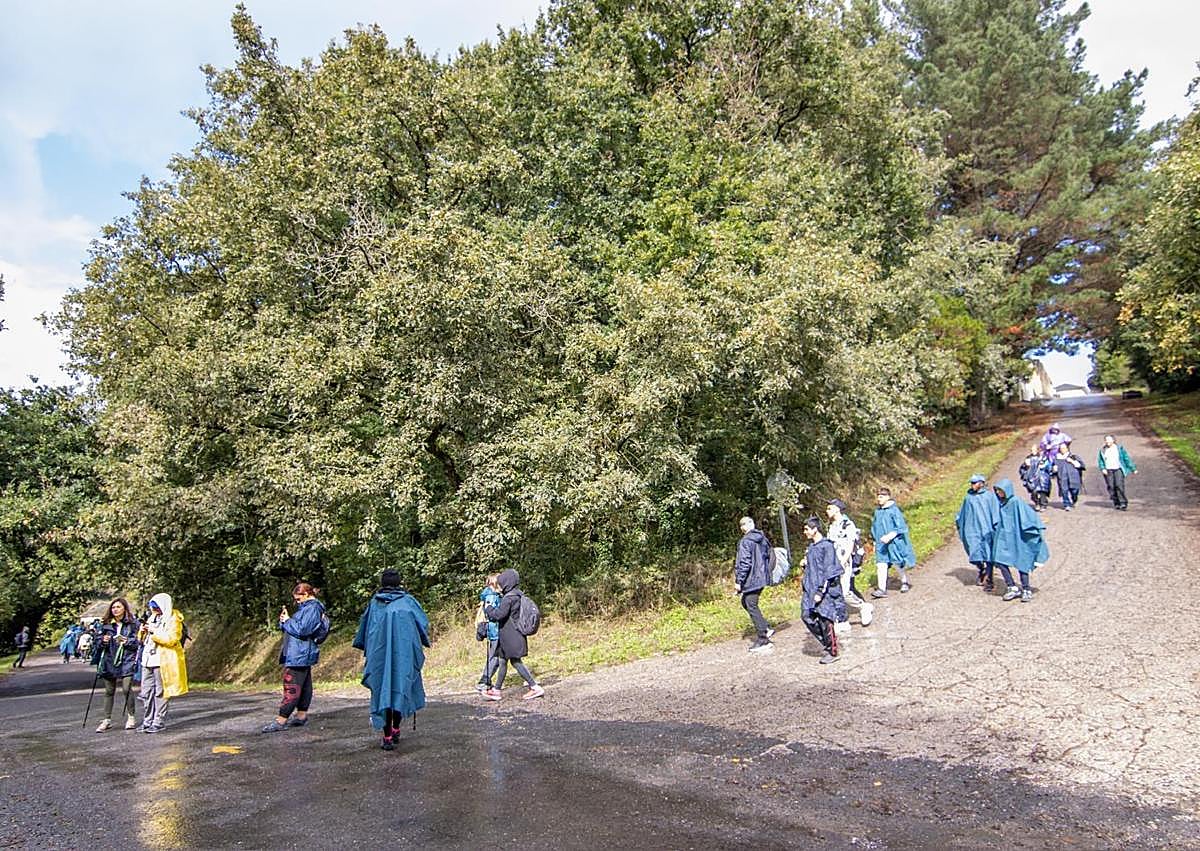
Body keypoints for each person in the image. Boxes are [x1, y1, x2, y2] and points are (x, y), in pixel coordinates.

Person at [352, 569, 431, 751]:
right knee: (400, 688)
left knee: (382, 691)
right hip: (404, 656)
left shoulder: (374, 604)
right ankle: (395, 728)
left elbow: (364, 630)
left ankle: (387, 736)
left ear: (382, 583)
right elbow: (423, 624)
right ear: (398, 582)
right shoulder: (408, 602)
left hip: (379, 657)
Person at [261, 582, 329, 734]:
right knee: (304, 686)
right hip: (300, 652)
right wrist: (285, 621)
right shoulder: (307, 608)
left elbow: (303, 630)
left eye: (299, 599)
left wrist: (287, 621)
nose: (297, 602)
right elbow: (296, 627)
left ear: (306, 595)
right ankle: (301, 715)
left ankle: (281, 720)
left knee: (292, 686)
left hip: (299, 653)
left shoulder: (312, 608)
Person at [483, 568, 546, 700]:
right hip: (512, 636)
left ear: (507, 583)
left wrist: (488, 607)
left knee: (516, 662)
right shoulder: (517, 594)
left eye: (501, 583)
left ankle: (534, 687)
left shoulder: (509, 598)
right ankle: (496, 690)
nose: (499, 586)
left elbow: (498, 615)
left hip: (511, 637)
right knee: (503, 661)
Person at [991, 479, 1049, 602]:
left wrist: (1032, 530)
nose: (998, 493)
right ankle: (1011, 586)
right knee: (1000, 560)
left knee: (1021, 560)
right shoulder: (1000, 503)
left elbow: (1028, 517)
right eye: (996, 491)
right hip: (1004, 538)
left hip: (1018, 537)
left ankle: (1026, 588)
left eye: (1000, 490)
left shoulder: (1016, 502)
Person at [138, 593, 188, 733]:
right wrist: (142, 632)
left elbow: (172, 639)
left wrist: (154, 631)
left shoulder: (174, 619)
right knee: (146, 692)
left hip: (162, 661)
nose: (154, 610)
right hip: (147, 660)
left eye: (157, 607)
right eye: (152, 607)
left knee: (160, 692)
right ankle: (147, 721)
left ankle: (158, 721)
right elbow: (142, 640)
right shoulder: (152, 617)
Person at [800, 517, 846, 664]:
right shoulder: (812, 547)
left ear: (815, 529)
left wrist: (821, 591)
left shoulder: (827, 547)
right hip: (810, 589)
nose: (804, 532)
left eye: (807, 529)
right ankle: (827, 643)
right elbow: (814, 568)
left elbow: (829, 571)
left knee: (825, 619)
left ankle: (832, 651)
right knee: (806, 616)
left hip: (823, 590)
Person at [94, 598, 141, 732]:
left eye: (118, 607)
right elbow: (97, 643)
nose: (115, 609)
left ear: (124, 609)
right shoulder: (105, 625)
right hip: (109, 660)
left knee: (126, 688)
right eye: (113, 607)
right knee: (109, 691)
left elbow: (138, 642)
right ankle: (107, 719)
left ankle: (131, 717)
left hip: (127, 660)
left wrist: (126, 641)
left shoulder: (133, 624)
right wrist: (103, 640)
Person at [825, 499, 873, 628]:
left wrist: (843, 561)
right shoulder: (831, 526)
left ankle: (863, 607)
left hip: (843, 562)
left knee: (845, 592)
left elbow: (850, 545)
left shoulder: (847, 524)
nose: (827, 511)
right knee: (835, 592)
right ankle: (841, 619)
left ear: (837, 509)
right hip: (833, 562)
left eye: (829, 508)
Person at [732, 516, 774, 653]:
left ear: (746, 526)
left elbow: (744, 563)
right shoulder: (762, 538)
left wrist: (739, 581)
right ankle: (765, 628)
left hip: (752, 578)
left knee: (750, 603)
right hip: (761, 577)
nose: (742, 527)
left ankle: (763, 639)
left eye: (743, 524)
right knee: (746, 602)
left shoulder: (745, 541)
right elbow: (770, 555)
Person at [955, 474, 1001, 591]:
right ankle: (981, 569)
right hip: (972, 530)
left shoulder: (989, 497)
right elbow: (963, 513)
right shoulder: (968, 498)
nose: (973, 485)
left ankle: (989, 580)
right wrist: (960, 523)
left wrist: (996, 527)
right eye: (971, 483)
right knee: (974, 552)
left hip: (986, 530)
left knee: (988, 554)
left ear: (981, 483)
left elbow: (995, 513)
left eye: (975, 483)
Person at [870, 489, 915, 598]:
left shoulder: (894, 510)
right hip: (881, 543)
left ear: (887, 497)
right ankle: (882, 589)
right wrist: (875, 541)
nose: (879, 499)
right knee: (881, 564)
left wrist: (890, 535)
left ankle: (904, 582)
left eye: (881, 496)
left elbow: (901, 527)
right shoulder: (877, 512)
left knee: (897, 562)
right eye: (878, 496)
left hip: (894, 543)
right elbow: (874, 527)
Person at [475, 574, 501, 691]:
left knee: (497, 657)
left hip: (494, 630)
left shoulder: (490, 594)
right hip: (495, 630)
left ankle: (486, 681)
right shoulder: (491, 596)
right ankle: (484, 681)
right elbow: (493, 613)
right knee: (495, 658)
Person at [1097, 434, 1136, 511]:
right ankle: (1116, 502)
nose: (1107, 442)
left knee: (1119, 485)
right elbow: (1100, 460)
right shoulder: (1103, 450)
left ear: (1113, 440)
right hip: (1108, 470)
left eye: (1109, 440)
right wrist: (1103, 468)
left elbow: (1126, 458)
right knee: (1111, 486)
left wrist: (1133, 468)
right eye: (1106, 440)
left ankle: (1123, 503)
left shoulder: (1119, 449)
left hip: (1118, 469)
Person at [1019, 445, 1053, 511]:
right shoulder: (1028, 458)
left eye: (1034, 450)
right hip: (1031, 478)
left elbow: (1049, 467)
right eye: (1031, 450)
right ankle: (1037, 502)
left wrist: (1044, 466)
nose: (1033, 451)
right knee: (1034, 492)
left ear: (1038, 450)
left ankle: (1043, 505)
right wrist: (1025, 466)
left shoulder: (1042, 457)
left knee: (1042, 491)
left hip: (1041, 477)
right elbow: (1022, 469)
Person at [1053, 443, 1084, 511]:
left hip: (1073, 476)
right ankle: (1066, 504)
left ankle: (1074, 499)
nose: (1062, 450)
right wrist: (1054, 469)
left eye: (1064, 448)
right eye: (1061, 448)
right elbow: (1052, 467)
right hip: (1062, 477)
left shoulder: (1073, 456)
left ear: (1067, 449)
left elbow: (1080, 466)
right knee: (1064, 491)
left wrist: (1072, 461)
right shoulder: (1056, 458)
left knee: (1074, 490)